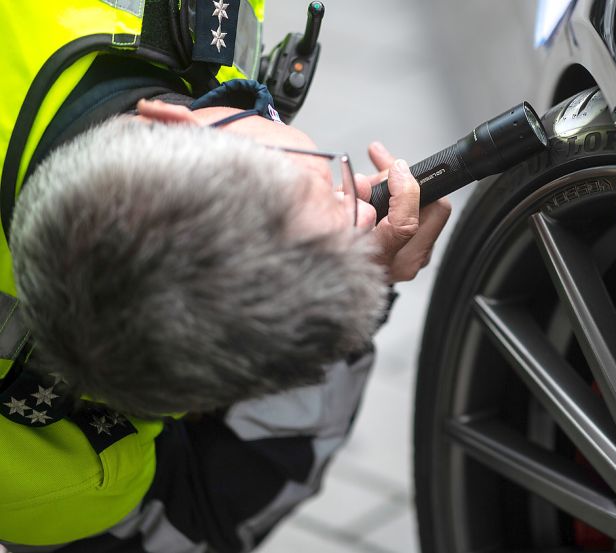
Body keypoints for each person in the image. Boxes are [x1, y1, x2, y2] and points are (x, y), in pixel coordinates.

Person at [0, 2, 451, 552]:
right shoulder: (69, 482)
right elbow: (208, 517)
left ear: (170, 125)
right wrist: (351, 303)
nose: (362, 211)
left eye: (321, 184)